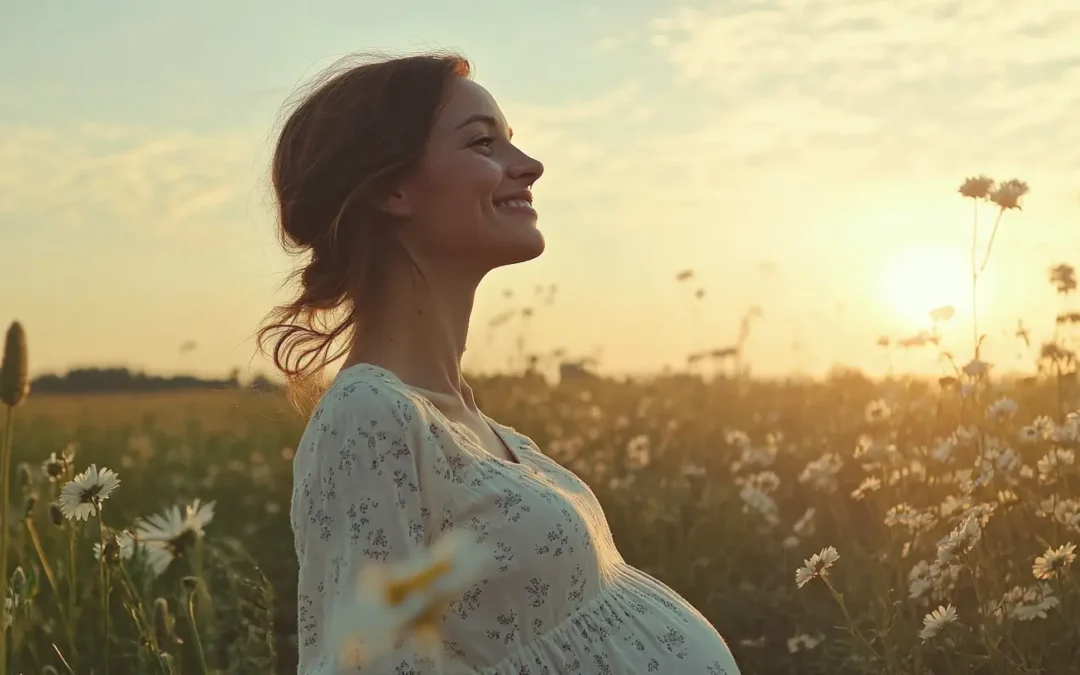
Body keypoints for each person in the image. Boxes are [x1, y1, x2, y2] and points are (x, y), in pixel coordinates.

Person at [260, 51, 741, 675]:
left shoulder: (471, 423)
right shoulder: (369, 416)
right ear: (391, 188)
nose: (530, 166)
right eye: (484, 143)